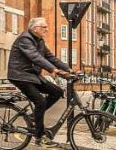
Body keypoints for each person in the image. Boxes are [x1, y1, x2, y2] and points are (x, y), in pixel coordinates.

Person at [8, 18, 72, 148]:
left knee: (58, 92)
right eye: (44, 27)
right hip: (20, 75)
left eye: (46, 27)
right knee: (40, 101)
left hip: (32, 76)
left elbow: (50, 57)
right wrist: (54, 70)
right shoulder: (24, 39)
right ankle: (39, 137)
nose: (46, 29)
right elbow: (35, 57)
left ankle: (33, 116)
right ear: (34, 28)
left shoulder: (40, 41)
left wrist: (69, 69)